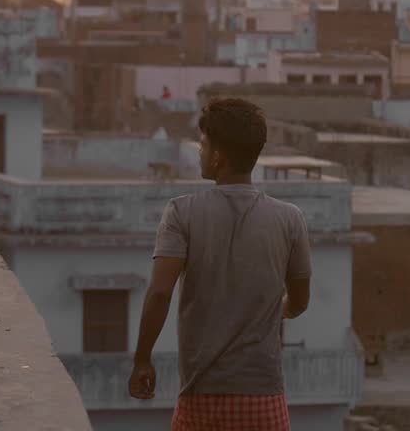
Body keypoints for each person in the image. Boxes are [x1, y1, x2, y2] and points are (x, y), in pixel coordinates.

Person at [128, 97, 312, 431]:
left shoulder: (181, 212)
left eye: (203, 145)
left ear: (218, 156)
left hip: (202, 397)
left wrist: (142, 359)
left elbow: (159, 293)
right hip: (264, 400)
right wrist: (277, 309)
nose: (199, 152)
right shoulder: (290, 219)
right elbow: (300, 302)